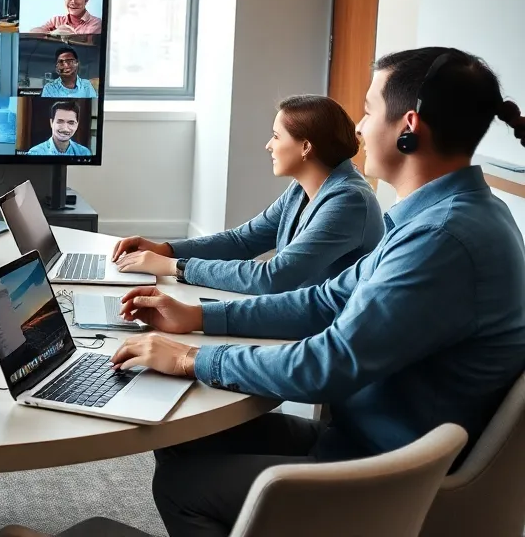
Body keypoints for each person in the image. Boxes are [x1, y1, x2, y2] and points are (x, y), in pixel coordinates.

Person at [110, 47, 525, 537]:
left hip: (385, 470)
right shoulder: (443, 216)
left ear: (408, 125)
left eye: (368, 111)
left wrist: (190, 359)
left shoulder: (441, 238)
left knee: (184, 483)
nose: (359, 129)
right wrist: (197, 318)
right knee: (179, 437)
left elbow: (328, 364)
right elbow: (326, 299)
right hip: (361, 436)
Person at [110, 95, 383, 294]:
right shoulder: (303, 188)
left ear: (305, 147)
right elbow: (242, 241)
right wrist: (165, 249)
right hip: (292, 317)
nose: (268, 145)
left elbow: (273, 277)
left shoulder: (348, 201)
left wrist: (173, 265)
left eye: (276, 136)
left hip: (320, 336)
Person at [29, 0, 103, 35]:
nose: (73, 2)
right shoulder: (56, 20)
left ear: (86, 0)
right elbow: (32, 32)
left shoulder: (96, 23)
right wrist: (54, 33)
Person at [27, 101, 92, 156]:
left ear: (77, 125)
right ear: (51, 123)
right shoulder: (35, 153)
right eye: (60, 121)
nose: (65, 128)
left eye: (71, 123)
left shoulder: (84, 153)